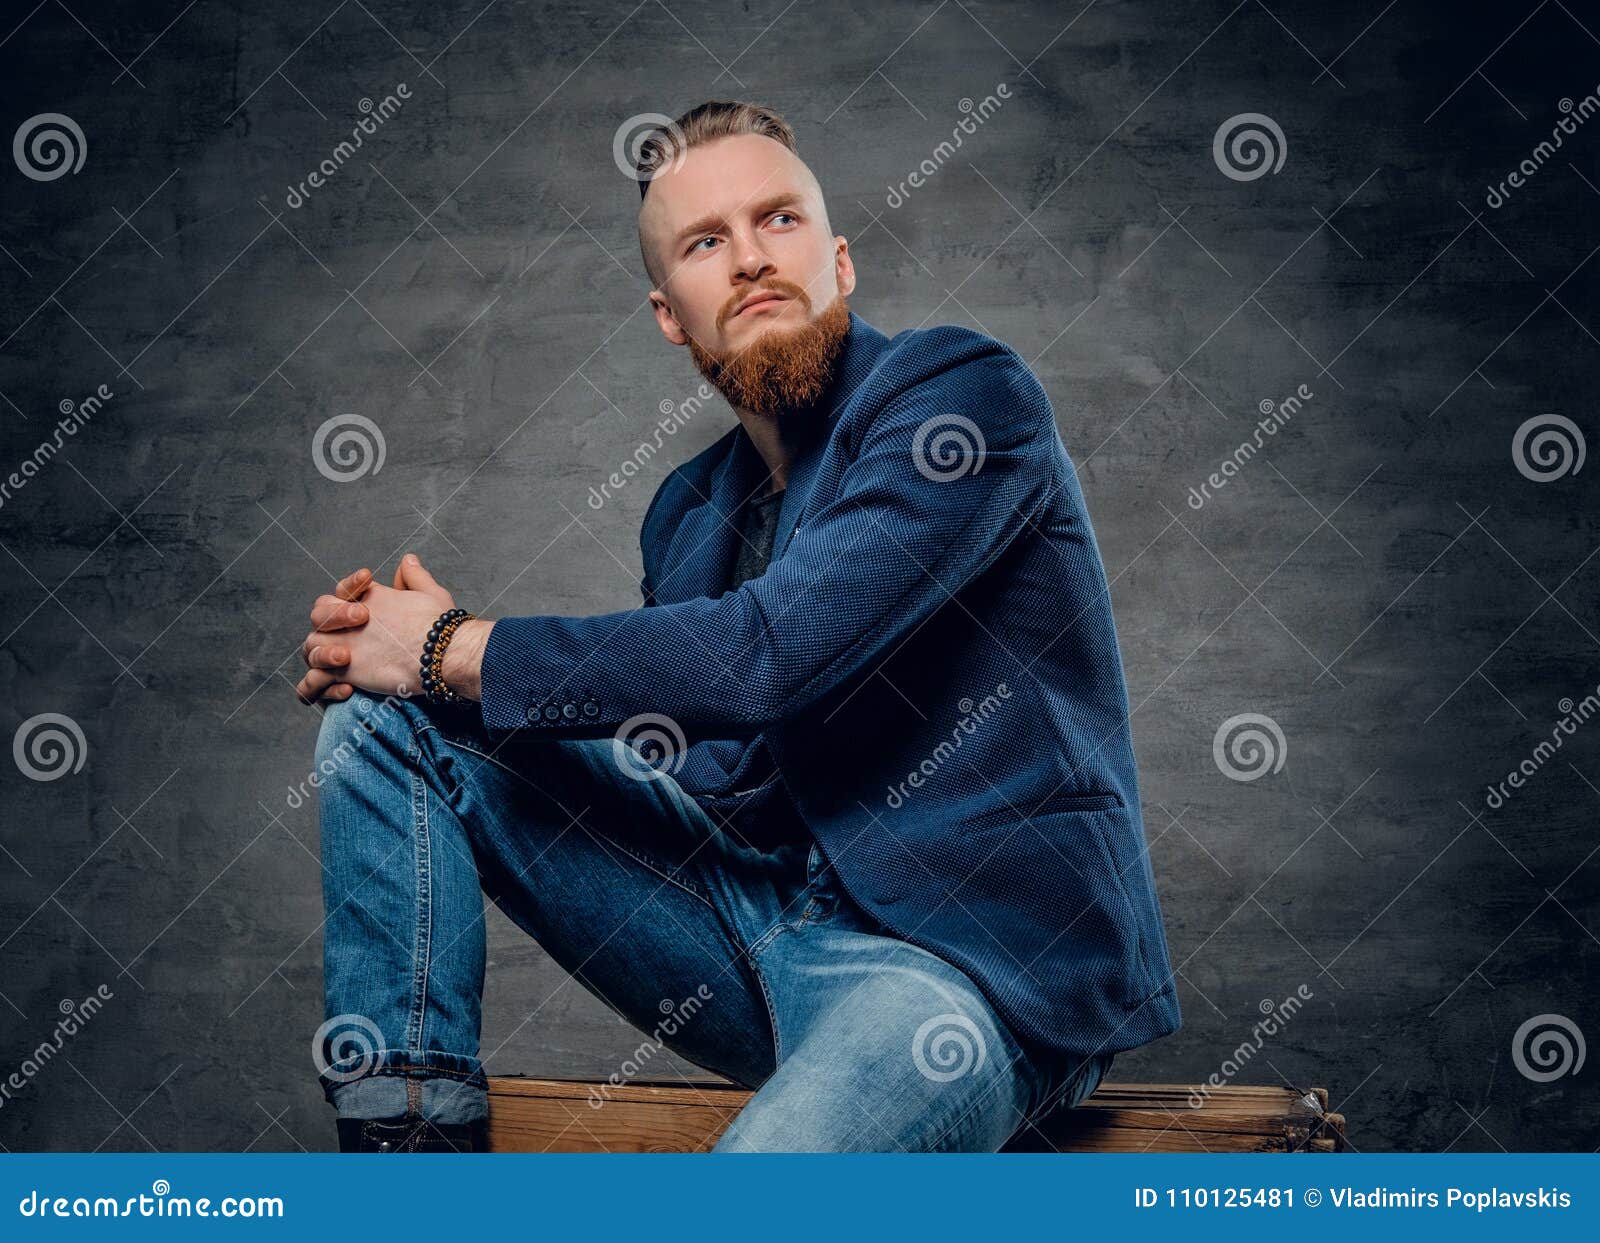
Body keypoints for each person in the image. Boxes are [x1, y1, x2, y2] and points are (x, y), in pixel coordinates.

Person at [294, 100, 1180, 1153]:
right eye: (707, 244)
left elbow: (773, 654)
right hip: (759, 929)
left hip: (970, 977)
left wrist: (450, 648)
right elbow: (718, 779)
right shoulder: (687, 512)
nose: (752, 260)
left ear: (840, 261)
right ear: (672, 313)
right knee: (391, 725)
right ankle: (407, 1159)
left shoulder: (959, 397)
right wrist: (417, 672)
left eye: (780, 222)